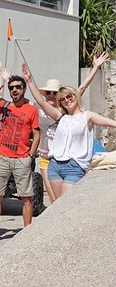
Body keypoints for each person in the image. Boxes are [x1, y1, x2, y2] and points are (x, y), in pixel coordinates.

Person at [0, 52, 109, 204]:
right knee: (54, 200)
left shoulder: (64, 109)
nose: (51, 95)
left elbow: (82, 88)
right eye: (48, 93)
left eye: (54, 93)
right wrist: (10, 80)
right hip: (47, 158)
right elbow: (21, 99)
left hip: (69, 160)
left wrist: (95, 67)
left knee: (64, 201)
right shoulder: (37, 107)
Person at [21, 61, 116, 200]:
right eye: (63, 99)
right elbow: (41, 102)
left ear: (75, 96)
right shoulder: (61, 117)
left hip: (74, 166)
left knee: (67, 204)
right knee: (58, 206)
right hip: (54, 165)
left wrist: (95, 67)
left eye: (69, 96)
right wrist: (29, 80)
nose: (66, 100)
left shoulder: (87, 116)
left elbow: (112, 123)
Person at [0, 74, 39, 241]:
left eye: (18, 87)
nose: (15, 90)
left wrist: (31, 155)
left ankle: (27, 233)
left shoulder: (31, 110)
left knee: (26, 197)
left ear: (24, 89)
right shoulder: (1, 106)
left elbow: (36, 133)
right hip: (2, 157)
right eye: (12, 88)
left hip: (22, 158)